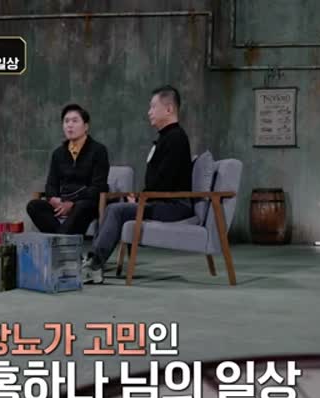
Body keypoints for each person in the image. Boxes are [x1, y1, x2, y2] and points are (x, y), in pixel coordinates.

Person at [82, 85, 194, 284]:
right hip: (160, 201)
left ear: (169, 109)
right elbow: (159, 181)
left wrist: (143, 198)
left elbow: (165, 182)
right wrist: (141, 197)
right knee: (112, 207)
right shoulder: (166, 137)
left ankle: (95, 265)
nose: (149, 112)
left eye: (153, 107)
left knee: (116, 210)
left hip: (175, 205)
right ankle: (93, 260)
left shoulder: (176, 139)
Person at [26, 104, 110, 235]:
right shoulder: (58, 153)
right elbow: (51, 184)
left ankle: (59, 240)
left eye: (75, 121)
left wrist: (72, 203)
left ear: (86, 126)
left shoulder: (98, 150)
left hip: (86, 203)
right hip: (62, 203)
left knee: (81, 207)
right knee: (34, 206)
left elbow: (98, 187)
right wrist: (53, 199)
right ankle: (63, 239)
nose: (70, 125)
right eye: (66, 121)